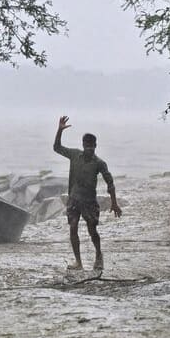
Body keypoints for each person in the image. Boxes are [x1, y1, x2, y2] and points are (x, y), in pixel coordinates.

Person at [53, 115, 121, 271]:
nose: (89, 147)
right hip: (74, 200)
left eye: (92, 145)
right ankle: (79, 262)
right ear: (83, 145)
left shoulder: (99, 163)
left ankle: (98, 255)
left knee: (92, 230)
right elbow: (57, 148)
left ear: (95, 146)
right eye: (87, 145)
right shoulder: (75, 155)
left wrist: (114, 203)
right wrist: (59, 130)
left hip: (89, 202)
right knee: (73, 227)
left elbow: (110, 183)